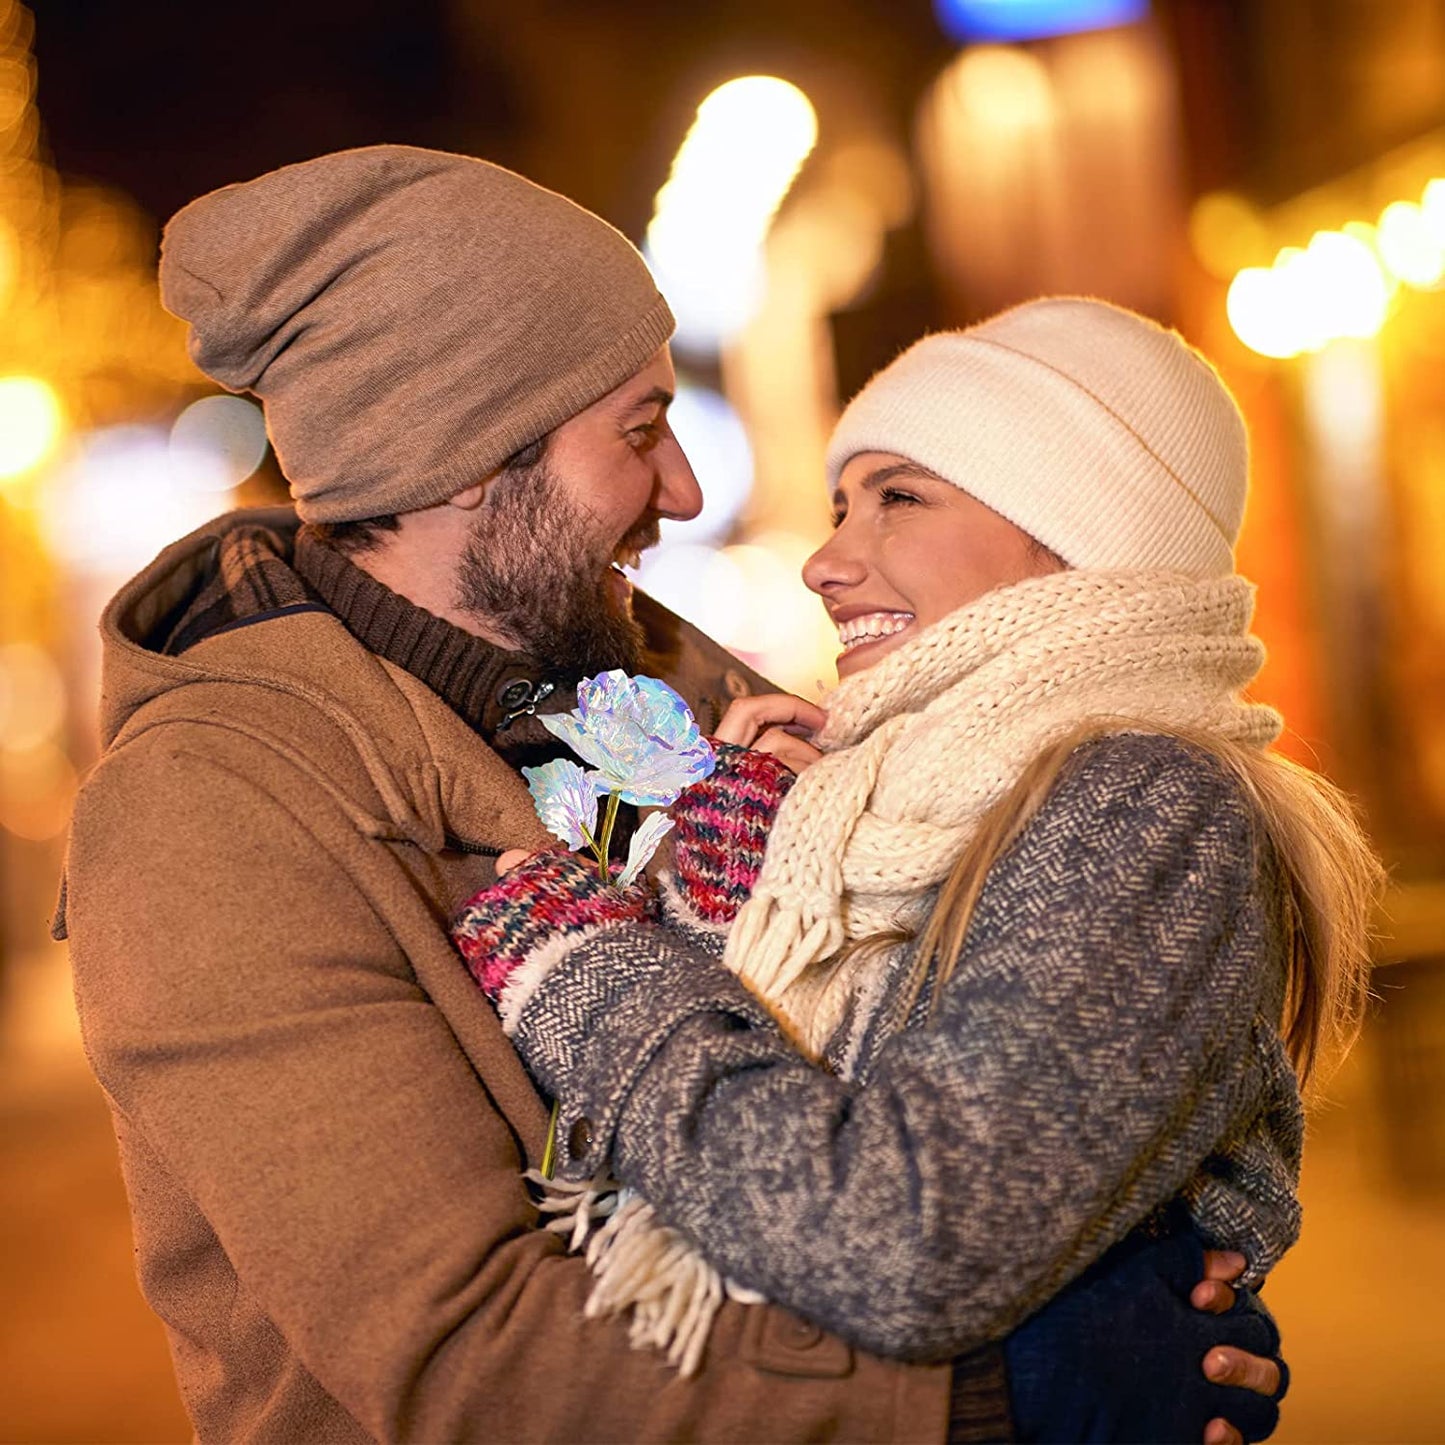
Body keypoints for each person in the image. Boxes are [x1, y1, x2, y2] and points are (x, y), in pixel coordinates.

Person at [58, 147, 1287, 1443]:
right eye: (640, 431)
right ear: (461, 452)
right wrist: (988, 1397)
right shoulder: (211, 809)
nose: (687, 491)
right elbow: (466, 1350)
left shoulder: (689, 704)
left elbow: (953, 1127)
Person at [453, 300, 1383, 1438]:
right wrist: (726, 896)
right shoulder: (879, 804)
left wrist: (590, 975)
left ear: (1076, 529)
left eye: (898, 497)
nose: (825, 562)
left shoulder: (1143, 800)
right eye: (842, 506)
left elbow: (906, 1243)